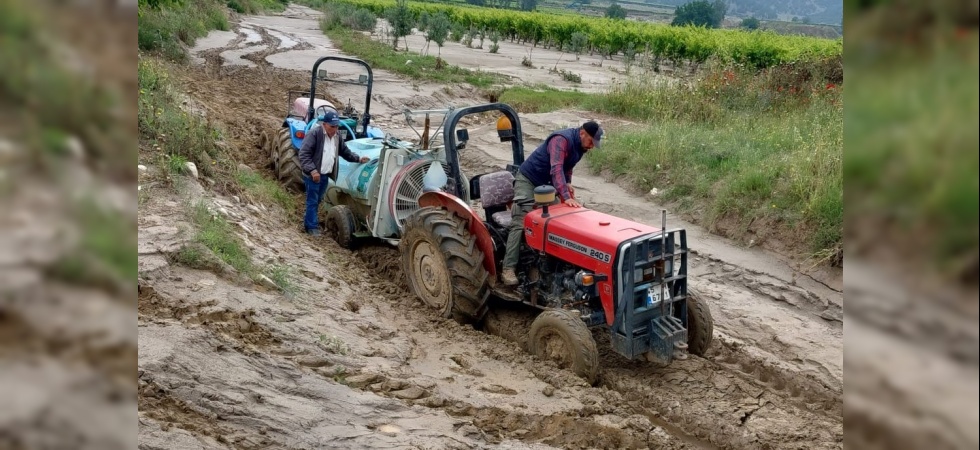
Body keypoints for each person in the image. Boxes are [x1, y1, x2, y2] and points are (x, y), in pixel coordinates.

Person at [500, 120, 603, 285]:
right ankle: (508, 268)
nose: (591, 146)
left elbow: (567, 167)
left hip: (546, 185)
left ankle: (554, 265)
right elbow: (556, 168)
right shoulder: (561, 140)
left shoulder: (580, 147)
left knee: (559, 221)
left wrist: (567, 183)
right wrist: (566, 196)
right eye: (591, 141)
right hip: (528, 180)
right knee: (521, 219)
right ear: (582, 132)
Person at [298, 110, 370, 236]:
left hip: (325, 175)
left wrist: (358, 159)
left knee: (318, 200)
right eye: (332, 126)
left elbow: (344, 151)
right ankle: (311, 227)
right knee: (312, 201)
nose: (335, 129)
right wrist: (313, 171)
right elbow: (304, 154)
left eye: (337, 126)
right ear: (324, 124)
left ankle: (309, 221)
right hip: (313, 176)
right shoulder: (314, 134)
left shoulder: (337, 137)